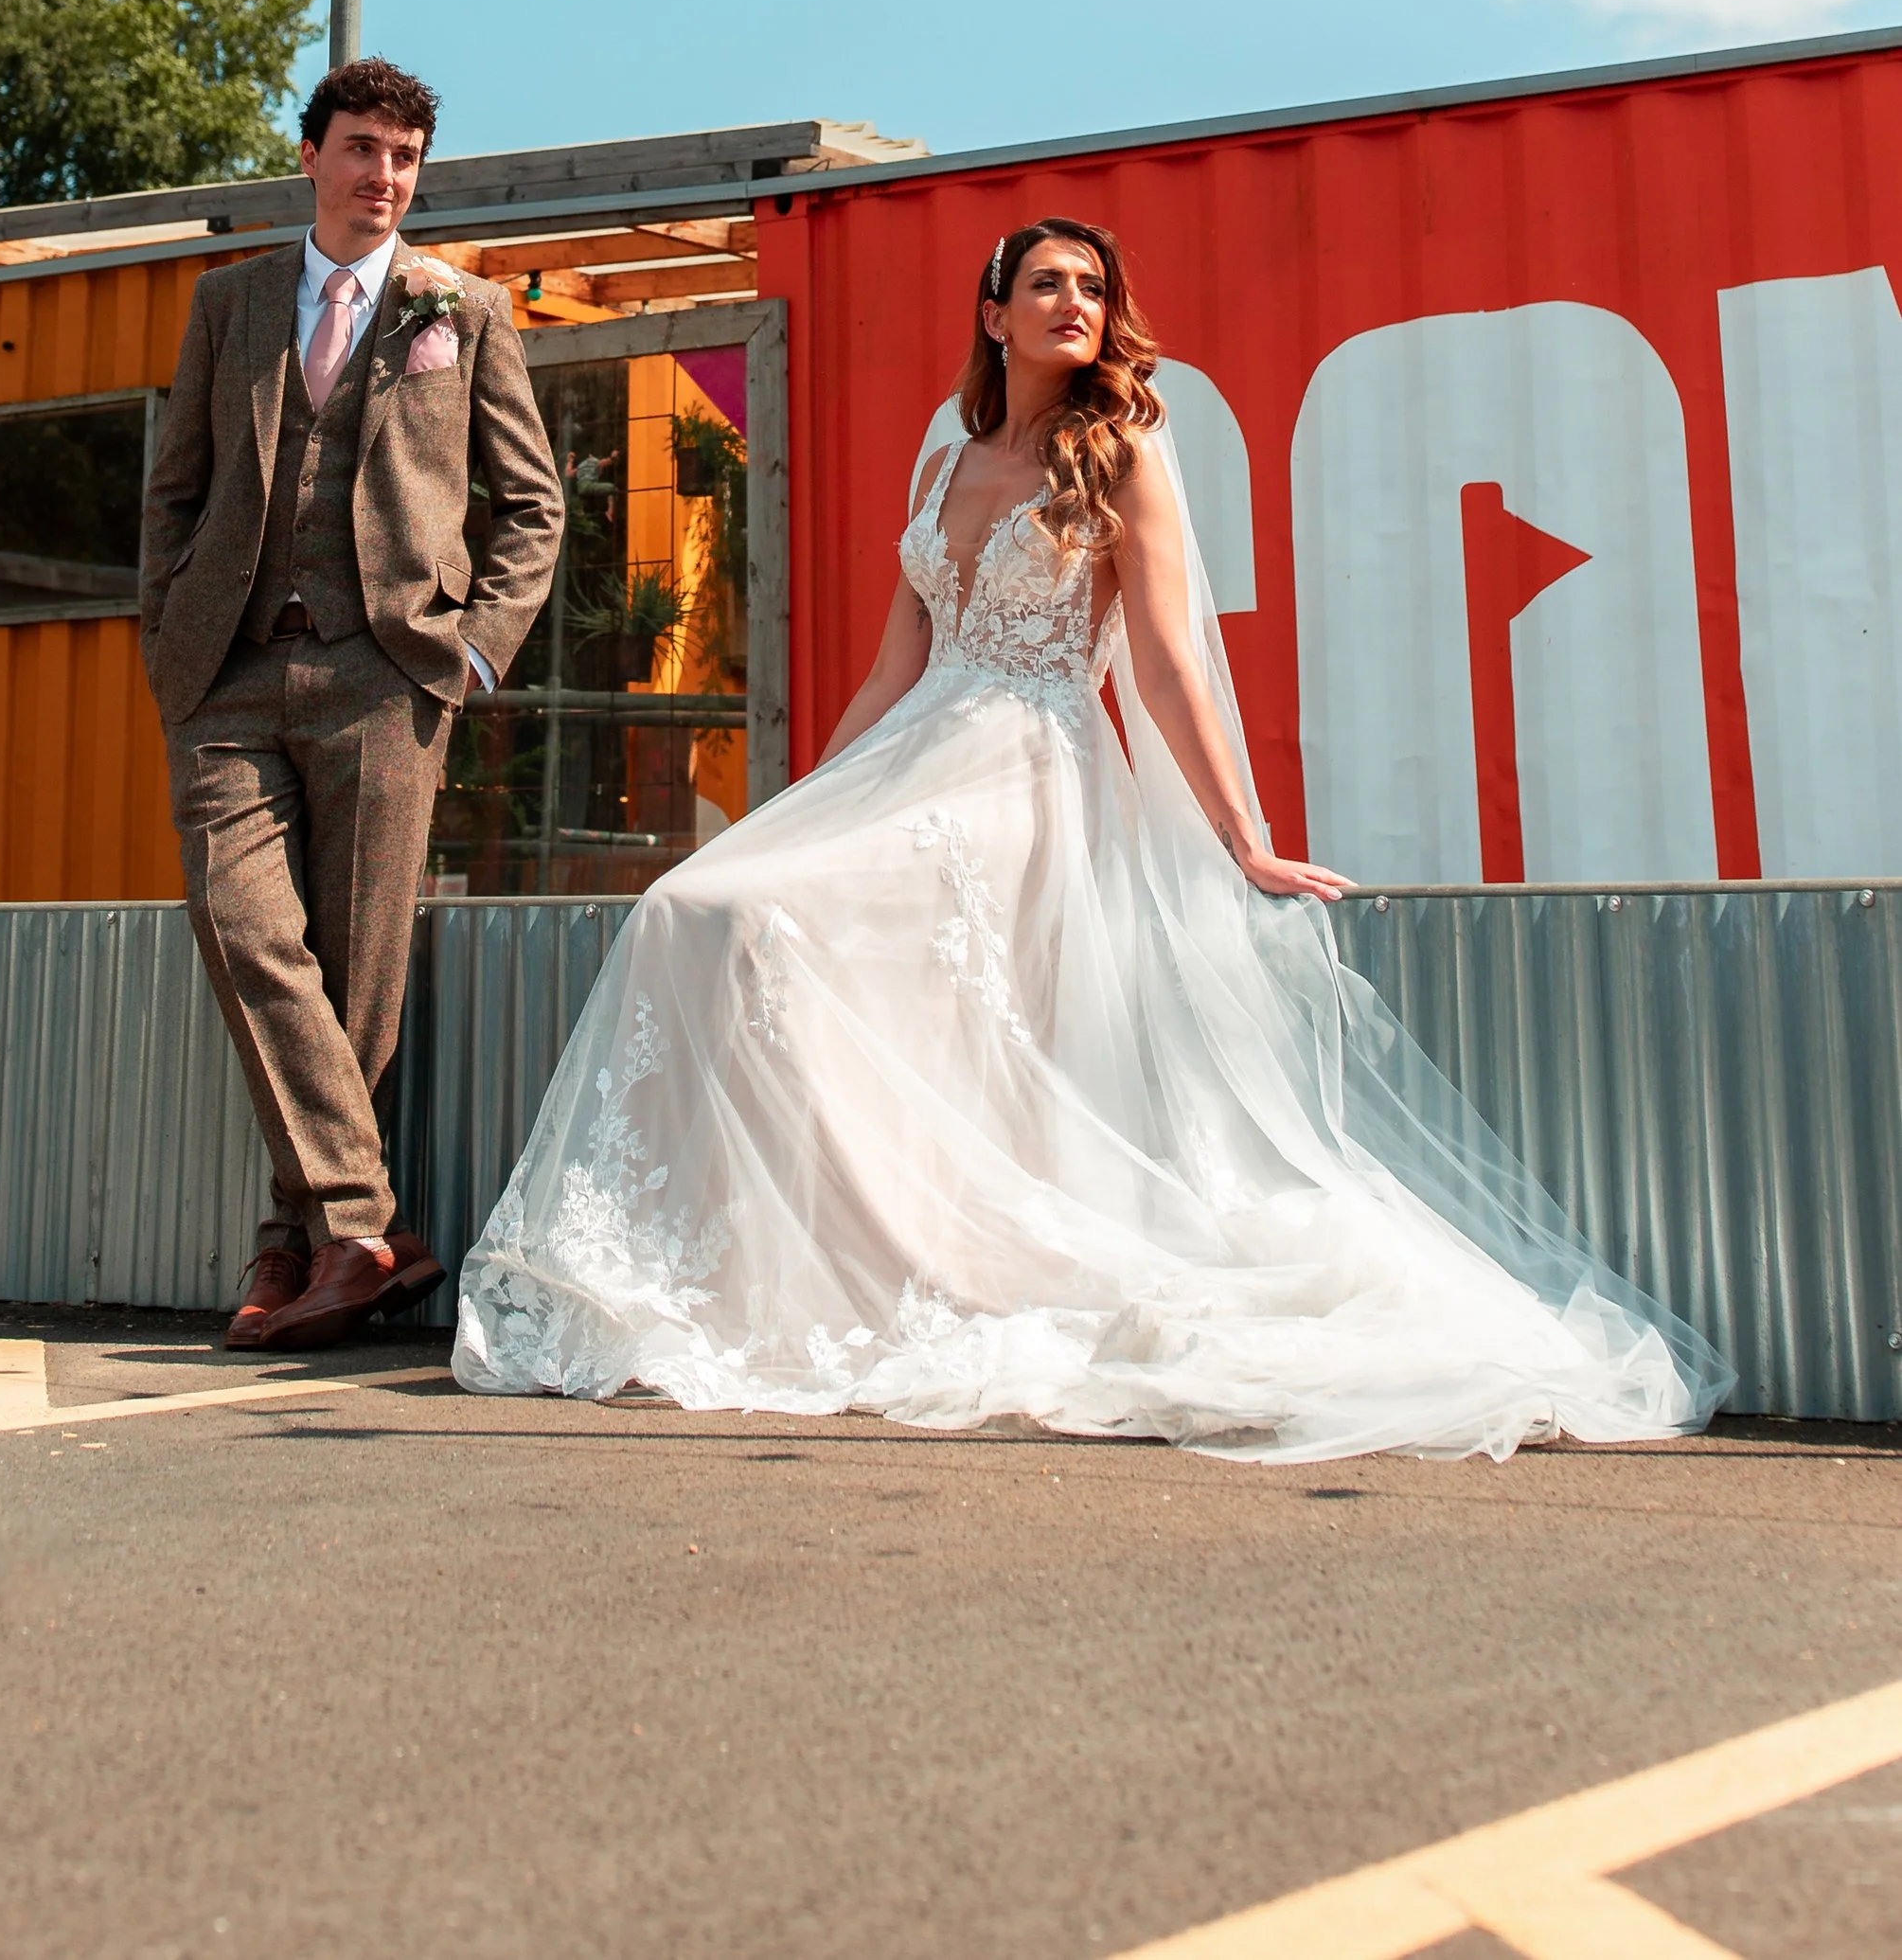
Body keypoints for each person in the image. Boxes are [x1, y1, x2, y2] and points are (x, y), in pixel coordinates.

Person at [453, 218, 1733, 1457]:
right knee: (696, 905)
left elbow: (1170, 663)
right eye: (1051, 282)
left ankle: (913, 1263)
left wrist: (1245, 836)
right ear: (993, 311)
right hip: (913, 763)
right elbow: (899, 663)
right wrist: (805, 807)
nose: (1079, 304)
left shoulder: (1118, 454)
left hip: (1026, 770)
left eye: (1097, 289)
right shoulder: (941, 467)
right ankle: (776, 1271)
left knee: (745, 926)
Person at [141, 58, 563, 1352]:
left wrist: (474, 652)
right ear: (312, 156)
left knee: (356, 979)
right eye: (364, 148)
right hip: (228, 672)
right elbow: (176, 489)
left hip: (390, 676)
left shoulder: (464, 311)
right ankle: (366, 1229)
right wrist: (167, 631)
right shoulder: (232, 302)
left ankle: (292, 1251)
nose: (385, 175)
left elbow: (533, 504)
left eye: (406, 157)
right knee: (245, 928)